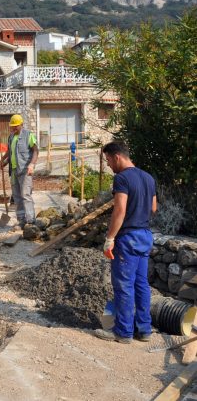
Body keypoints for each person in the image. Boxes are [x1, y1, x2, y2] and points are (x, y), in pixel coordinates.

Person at [94, 141, 157, 344]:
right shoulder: (148, 177)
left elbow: (119, 210)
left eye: (108, 161)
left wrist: (110, 238)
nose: (109, 166)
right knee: (141, 285)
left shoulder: (122, 179)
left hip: (128, 239)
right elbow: (153, 208)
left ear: (117, 157)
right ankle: (144, 330)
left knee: (123, 286)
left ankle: (123, 332)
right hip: (145, 236)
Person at [0, 114, 38, 227]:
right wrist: (4, 161)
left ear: (21, 125)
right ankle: (21, 220)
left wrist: (32, 164)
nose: (13, 128)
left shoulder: (28, 135)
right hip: (14, 171)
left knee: (25, 194)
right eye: (12, 126)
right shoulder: (11, 137)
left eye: (16, 126)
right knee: (16, 196)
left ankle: (30, 221)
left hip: (25, 170)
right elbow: (10, 152)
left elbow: (35, 151)